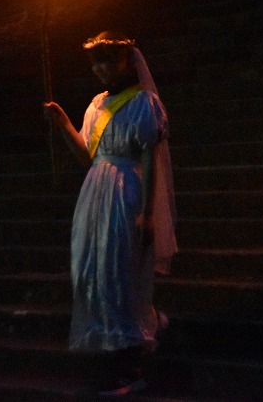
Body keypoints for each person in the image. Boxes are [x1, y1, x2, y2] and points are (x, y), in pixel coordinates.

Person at [43, 31, 177, 396]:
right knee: (94, 271)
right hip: (96, 194)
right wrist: (64, 123)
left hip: (126, 191)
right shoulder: (97, 105)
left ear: (126, 62)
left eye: (108, 61)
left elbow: (148, 158)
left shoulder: (143, 102)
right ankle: (121, 341)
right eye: (96, 63)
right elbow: (88, 156)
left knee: (119, 272)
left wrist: (147, 212)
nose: (101, 69)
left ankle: (131, 362)